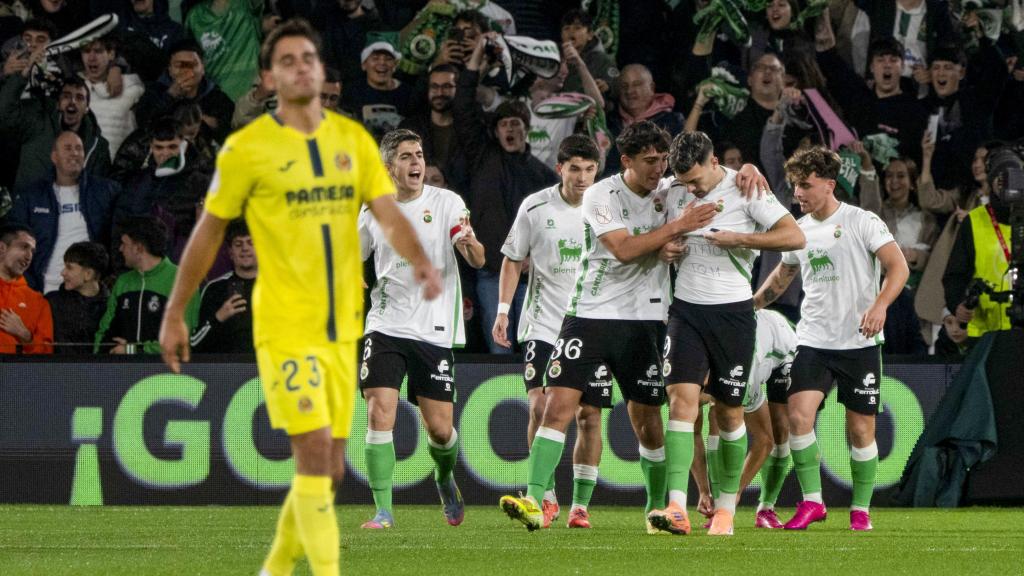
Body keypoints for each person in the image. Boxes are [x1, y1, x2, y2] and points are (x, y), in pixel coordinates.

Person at [158, 20, 440, 576]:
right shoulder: (248, 149)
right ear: (267, 78)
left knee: (329, 470)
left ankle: (276, 568)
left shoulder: (352, 141)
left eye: (308, 58)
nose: (301, 68)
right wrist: (174, 310)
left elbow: (388, 214)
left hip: (342, 324)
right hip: (286, 322)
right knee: (312, 456)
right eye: (287, 61)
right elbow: (209, 232)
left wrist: (422, 262)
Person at [497, 121, 717, 533]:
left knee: (648, 423)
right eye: (650, 161)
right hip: (590, 314)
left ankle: (656, 511)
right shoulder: (600, 195)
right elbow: (623, 248)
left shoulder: (671, 191)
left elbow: (714, 178)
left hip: (646, 319)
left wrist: (747, 172)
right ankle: (535, 499)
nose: (659, 168)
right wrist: (674, 229)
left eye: (663, 160)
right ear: (626, 161)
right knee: (556, 406)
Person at [647, 131, 804, 536]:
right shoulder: (672, 189)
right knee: (681, 402)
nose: (691, 189)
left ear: (714, 162)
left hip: (734, 314)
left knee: (729, 412)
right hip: (685, 312)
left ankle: (726, 509)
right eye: (684, 182)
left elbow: (794, 236)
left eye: (696, 180)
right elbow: (647, 225)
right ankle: (677, 507)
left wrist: (741, 239)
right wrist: (662, 248)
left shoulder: (746, 188)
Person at [754, 146, 909, 531]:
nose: (798, 194)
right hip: (813, 341)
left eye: (805, 185)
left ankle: (860, 510)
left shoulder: (862, 221)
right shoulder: (799, 230)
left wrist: (880, 305)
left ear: (829, 184)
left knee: (860, 431)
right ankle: (813, 502)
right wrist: (750, 305)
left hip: (859, 343)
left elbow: (898, 268)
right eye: (795, 185)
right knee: (797, 418)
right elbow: (783, 277)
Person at [357, 128, 485, 530]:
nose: (417, 163)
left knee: (441, 431)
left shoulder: (447, 203)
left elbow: (478, 259)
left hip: (433, 328)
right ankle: (383, 511)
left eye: (419, 155)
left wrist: (469, 245)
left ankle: (444, 476)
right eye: (407, 156)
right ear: (388, 167)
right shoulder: (372, 211)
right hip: (385, 324)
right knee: (379, 411)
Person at [492, 134, 605, 529]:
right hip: (543, 325)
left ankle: (581, 506)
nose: (582, 177)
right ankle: (547, 496)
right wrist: (503, 310)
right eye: (575, 168)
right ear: (560, 169)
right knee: (541, 408)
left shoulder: (607, 208)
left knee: (589, 415)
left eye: (589, 169)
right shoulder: (535, 206)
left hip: (592, 326)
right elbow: (512, 259)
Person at [454, 32, 557, 354]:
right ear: (495, 131)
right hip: (490, 274)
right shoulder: (482, 156)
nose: (510, 129)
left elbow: (555, 226)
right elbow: (463, 105)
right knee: (499, 353)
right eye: (503, 125)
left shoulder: (544, 176)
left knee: (531, 352)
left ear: (527, 128)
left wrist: (534, 258)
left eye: (516, 123)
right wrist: (476, 57)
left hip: (531, 278)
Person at [696, 308, 797, 530]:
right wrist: (704, 491)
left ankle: (766, 508)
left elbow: (764, 441)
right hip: (744, 343)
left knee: (779, 432)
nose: (696, 400)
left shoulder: (742, 379)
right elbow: (696, 436)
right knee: (717, 418)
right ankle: (720, 505)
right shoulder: (687, 385)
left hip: (782, 346)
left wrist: (734, 493)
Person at [8, 131, 118, 294]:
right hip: (44, 290)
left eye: (79, 148)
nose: (74, 153)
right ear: (54, 156)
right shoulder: (31, 196)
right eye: (67, 148)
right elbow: (15, 243)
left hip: (89, 293)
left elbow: (119, 237)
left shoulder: (106, 191)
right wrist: (28, 284)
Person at [95, 215, 198, 354]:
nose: (120, 249)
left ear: (139, 248)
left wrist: (133, 350)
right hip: (122, 367)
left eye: (124, 243)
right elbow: (103, 332)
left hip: (164, 367)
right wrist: (97, 361)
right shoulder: (123, 282)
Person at [0, 74, 111, 192]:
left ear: (87, 108)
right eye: (67, 96)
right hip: (28, 202)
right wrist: (20, 77)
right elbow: (5, 114)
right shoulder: (36, 121)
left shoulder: (98, 147)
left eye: (79, 98)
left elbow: (100, 192)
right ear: (58, 104)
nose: (72, 101)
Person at [133, 39, 235, 144]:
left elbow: (234, 135)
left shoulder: (217, 98)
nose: (186, 71)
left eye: (193, 65)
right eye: (179, 66)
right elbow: (143, 123)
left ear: (202, 68)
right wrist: (170, 95)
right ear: (170, 70)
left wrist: (211, 124)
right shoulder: (155, 92)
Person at [190, 219, 256, 353]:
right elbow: (194, 343)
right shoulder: (215, 289)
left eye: (251, 243)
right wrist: (219, 317)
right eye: (238, 244)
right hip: (226, 365)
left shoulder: (277, 287)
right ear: (230, 252)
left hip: (270, 365)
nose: (245, 248)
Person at [80, 36, 145, 158]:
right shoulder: (74, 88)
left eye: (98, 51)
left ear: (111, 54)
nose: (92, 58)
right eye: (86, 51)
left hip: (121, 164)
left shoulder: (132, 87)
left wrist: (118, 67)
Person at [342, 40, 414, 141]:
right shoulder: (351, 92)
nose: (382, 63)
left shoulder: (409, 94)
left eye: (388, 59)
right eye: (375, 58)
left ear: (395, 66)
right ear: (364, 65)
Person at [45, 241, 108, 354]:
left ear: (88, 274)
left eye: (69, 267)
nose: (62, 272)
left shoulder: (112, 306)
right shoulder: (51, 302)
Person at [0, 224, 52, 354]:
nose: (29, 256)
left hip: (16, 367)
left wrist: (25, 335)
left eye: (32, 251)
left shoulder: (39, 302)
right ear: (2, 248)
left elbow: (46, 354)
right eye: (24, 247)